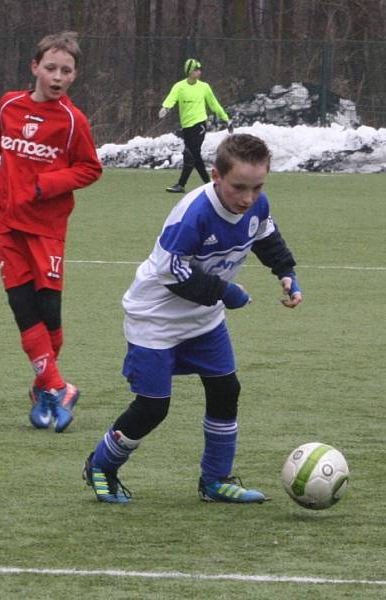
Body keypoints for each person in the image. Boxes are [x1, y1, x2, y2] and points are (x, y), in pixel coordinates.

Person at [83, 134, 302, 504]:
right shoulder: (194, 213)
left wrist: (286, 271)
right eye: (238, 188)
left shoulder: (256, 205)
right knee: (153, 407)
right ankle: (101, 466)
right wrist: (226, 292)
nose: (247, 198)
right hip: (155, 317)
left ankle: (215, 481)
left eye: (257, 187)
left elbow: (266, 235)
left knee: (225, 390)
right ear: (215, 176)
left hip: (203, 318)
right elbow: (172, 272)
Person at [0, 31, 102, 432]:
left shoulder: (74, 122)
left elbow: (91, 168)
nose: (58, 76)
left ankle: (46, 388)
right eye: (51, 68)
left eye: (67, 71)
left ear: (74, 76)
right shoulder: (7, 104)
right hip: (8, 227)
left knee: (49, 316)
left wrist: (46, 184)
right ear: (35, 67)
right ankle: (58, 387)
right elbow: (7, 154)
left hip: (47, 230)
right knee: (24, 312)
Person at [159, 58, 233, 194]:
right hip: (187, 127)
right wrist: (165, 107)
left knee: (190, 153)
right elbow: (171, 98)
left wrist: (226, 119)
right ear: (189, 71)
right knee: (194, 155)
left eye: (199, 69)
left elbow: (214, 104)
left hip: (200, 124)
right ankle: (209, 184)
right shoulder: (179, 86)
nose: (199, 72)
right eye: (196, 69)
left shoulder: (204, 87)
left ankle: (184, 184)